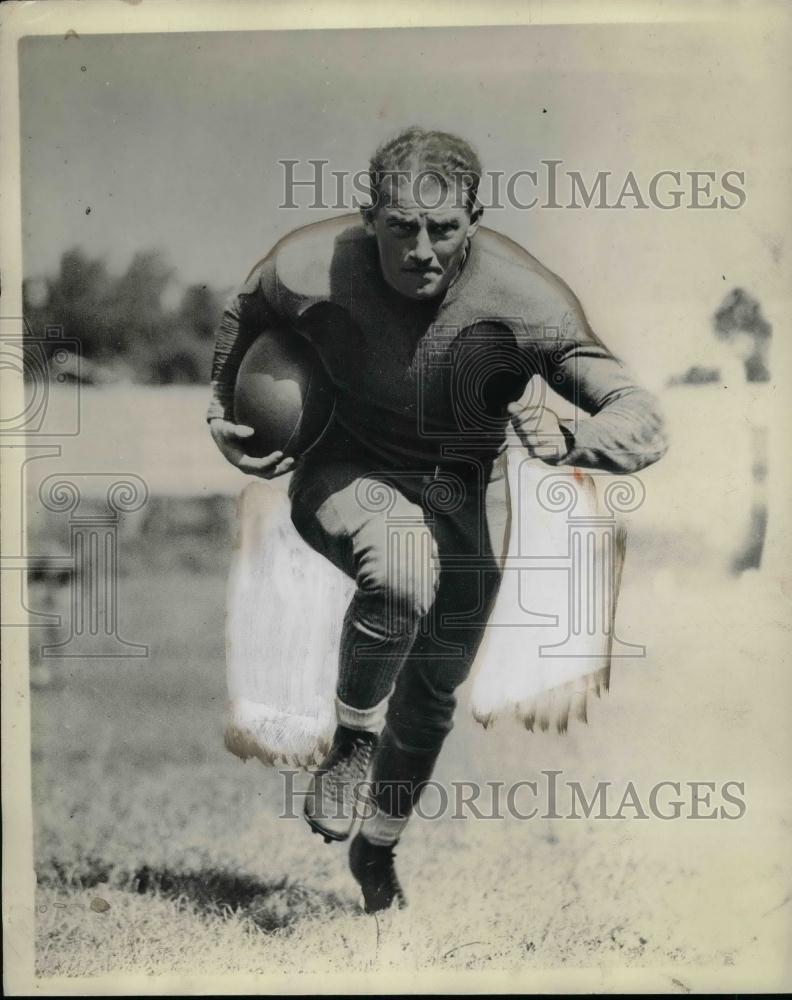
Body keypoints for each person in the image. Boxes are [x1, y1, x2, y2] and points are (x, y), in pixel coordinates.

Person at [207, 126, 668, 914]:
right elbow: (244, 311)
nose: (422, 248)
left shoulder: (526, 300)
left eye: (443, 228)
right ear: (368, 218)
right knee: (401, 566)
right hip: (349, 468)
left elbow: (641, 416)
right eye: (401, 228)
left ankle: (377, 848)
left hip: (465, 487)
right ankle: (352, 743)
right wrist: (222, 406)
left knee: (433, 693)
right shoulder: (312, 264)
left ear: (475, 221)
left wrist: (577, 437)